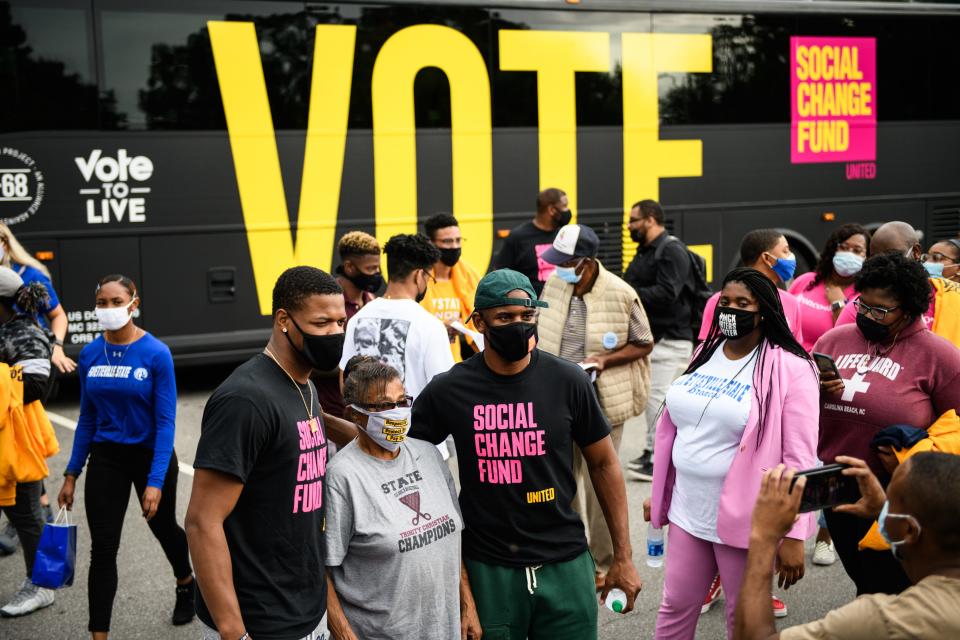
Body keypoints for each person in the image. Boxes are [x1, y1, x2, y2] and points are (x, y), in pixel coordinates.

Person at [409, 269, 641, 640]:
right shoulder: (450, 390)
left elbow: (604, 463)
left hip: (564, 561)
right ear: (480, 321)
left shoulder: (568, 381)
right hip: (489, 567)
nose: (518, 326)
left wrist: (623, 557)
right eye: (505, 318)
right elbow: (408, 458)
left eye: (526, 316)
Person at [647, 268, 819, 640]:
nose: (731, 310)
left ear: (765, 312)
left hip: (748, 519)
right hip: (687, 510)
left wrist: (796, 533)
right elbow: (681, 429)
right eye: (725, 302)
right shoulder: (705, 353)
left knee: (742, 619)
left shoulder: (792, 368)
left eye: (744, 304)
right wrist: (661, 491)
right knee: (675, 605)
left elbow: (801, 456)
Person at [185, 266, 346, 640]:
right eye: (321, 323)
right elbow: (201, 522)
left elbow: (309, 425)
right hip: (259, 621)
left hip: (305, 607)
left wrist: (377, 435)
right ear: (284, 320)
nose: (334, 333)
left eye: (340, 322)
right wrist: (233, 630)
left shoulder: (302, 383)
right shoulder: (245, 400)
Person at [814, 252, 960, 596]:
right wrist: (814, 391)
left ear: (908, 309)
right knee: (865, 583)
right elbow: (800, 410)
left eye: (879, 311)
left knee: (889, 590)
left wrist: (915, 450)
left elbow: (956, 427)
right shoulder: (834, 340)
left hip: (900, 492)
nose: (866, 315)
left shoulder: (940, 355)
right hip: (836, 488)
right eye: (862, 305)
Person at [57, 274, 194, 637]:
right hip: (106, 458)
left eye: (116, 302)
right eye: (102, 302)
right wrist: (71, 473)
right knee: (103, 550)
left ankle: (185, 581)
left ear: (134, 304)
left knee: (163, 526)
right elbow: (87, 417)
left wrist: (154, 482)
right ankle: (98, 635)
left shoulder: (155, 353)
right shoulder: (89, 354)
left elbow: (166, 423)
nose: (108, 309)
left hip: (151, 455)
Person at [325, 356, 474, 640]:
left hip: (446, 630)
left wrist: (468, 606)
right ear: (355, 414)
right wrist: (344, 634)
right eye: (383, 405)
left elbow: (454, 543)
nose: (396, 413)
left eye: (402, 401)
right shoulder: (342, 477)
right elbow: (322, 571)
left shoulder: (428, 454)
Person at [735, 454, 960, 640]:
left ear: (909, 531)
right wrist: (883, 510)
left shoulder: (887, 620)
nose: (885, 510)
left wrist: (763, 537)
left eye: (890, 504)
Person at [538, 223, 653, 586]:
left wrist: (603, 360)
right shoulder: (555, 284)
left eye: (565, 261)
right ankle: (573, 557)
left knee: (599, 483)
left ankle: (605, 563)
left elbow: (644, 342)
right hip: (556, 399)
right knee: (561, 480)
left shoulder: (621, 294)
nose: (558, 268)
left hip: (601, 401)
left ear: (586, 263)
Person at [0, 268, 58, 617]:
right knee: (23, 514)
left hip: (17, 443)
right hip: (6, 438)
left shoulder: (25, 333)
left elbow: (36, 385)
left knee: (27, 516)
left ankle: (43, 586)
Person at [623, 199, 694, 482]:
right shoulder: (646, 252)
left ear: (651, 219)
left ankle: (657, 458)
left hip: (671, 338)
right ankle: (654, 451)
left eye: (634, 220)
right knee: (651, 395)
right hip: (655, 339)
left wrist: (630, 293)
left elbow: (668, 293)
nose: (629, 226)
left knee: (656, 397)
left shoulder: (671, 251)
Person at [340, 233, 453, 399]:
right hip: (414, 424)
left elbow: (345, 384)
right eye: (429, 277)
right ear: (419, 275)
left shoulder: (358, 318)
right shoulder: (430, 325)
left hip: (364, 423)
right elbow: (444, 391)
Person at [314, 231, 382, 420]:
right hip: (332, 411)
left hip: (366, 411)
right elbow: (316, 360)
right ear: (349, 267)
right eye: (371, 269)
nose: (377, 275)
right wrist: (351, 364)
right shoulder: (329, 303)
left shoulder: (371, 301)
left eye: (378, 269)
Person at [700, 229, 804, 344]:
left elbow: (797, 351)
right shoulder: (718, 302)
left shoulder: (791, 303)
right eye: (785, 251)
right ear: (767, 258)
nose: (791, 257)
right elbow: (707, 350)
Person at [0, 223, 75, 374]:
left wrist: (57, 347)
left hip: (27, 356)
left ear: (5, 244)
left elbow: (58, 315)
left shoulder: (30, 275)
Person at [789, 224, 870, 351]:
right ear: (833, 250)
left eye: (857, 250)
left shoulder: (862, 298)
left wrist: (837, 304)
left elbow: (848, 340)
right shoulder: (806, 280)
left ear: (867, 257)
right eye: (843, 247)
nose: (849, 254)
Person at [421, 213, 482, 362]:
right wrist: (440, 329)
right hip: (425, 362)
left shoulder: (468, 275)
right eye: (447, 241)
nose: (454, 246)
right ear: (431, 243)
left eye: (458, 240)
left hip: (453, 364)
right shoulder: (419, 279)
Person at [492, 188, 570, 295]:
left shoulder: (564, 234)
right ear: (552, 210)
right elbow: (498, 276)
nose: (568, 211)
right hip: (531, 308)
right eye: (565, 206)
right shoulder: (518, 237)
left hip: (560, 305)